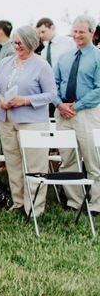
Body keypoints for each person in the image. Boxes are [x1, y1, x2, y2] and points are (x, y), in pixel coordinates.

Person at [0, 26, 56, 217]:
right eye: (14, 42)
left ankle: (34, 207)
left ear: (31, 43)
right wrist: (0, 100)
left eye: (20, 43)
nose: (16, 46)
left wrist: (25, 100)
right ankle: (18, 203)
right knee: (13, 163)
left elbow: (51, 94)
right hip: (7, 119)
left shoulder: (42, 65)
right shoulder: (5, 62)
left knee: (34, 165)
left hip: (32, 122)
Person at [53, 15, 100, 215]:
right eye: (75, 31)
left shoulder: (98, 57)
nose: (78, 35)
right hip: (63, 113)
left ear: (92, 33)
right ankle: (75, 201)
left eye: (82, 31)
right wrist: (60, 104)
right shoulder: (64, 58)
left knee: (93, 160)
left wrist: (77, 106)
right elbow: (53, 84)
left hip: (87, 113)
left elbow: (99, 89)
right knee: (67, 158)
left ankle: (96, 204)